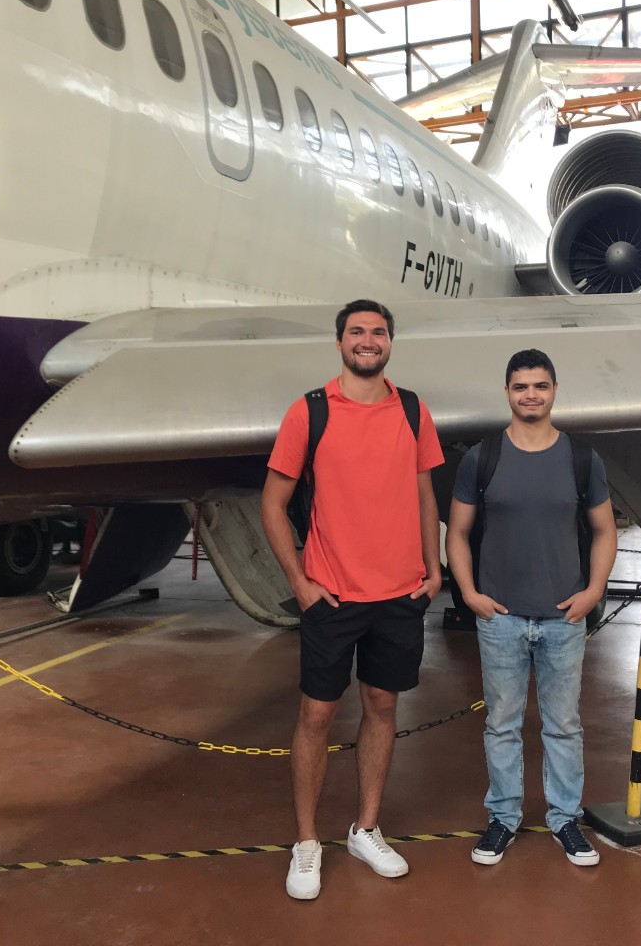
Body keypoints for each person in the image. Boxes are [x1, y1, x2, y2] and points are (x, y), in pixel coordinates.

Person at [261, 299, 444, 901]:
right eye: (358, 332)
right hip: (332, 596)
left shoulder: (413, 410)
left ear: (390, 342)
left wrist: (433, 568)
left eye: (379, 332)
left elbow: (424, 494)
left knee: (382, 706)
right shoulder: (309, 411)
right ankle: (307, 841)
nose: (368, 340)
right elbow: (273, 503)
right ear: (339, 342)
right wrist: (299, 581)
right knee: (316, 715)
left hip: (399, 594)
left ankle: (366, 829)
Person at [445, 348, 617, 868]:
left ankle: (565, 819)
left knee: (563, 725)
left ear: (554, 390)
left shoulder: (582, 459)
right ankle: (503, 817)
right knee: (501, 724)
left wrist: (593, 591)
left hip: (564, 618)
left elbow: (605, 530)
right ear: (507, 393)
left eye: (540, 385)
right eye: (521, 386)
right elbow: (457, 532)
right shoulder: (483, 458)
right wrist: (470, 594)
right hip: (501, 618)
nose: (531, 395)